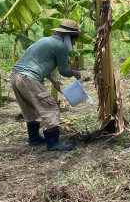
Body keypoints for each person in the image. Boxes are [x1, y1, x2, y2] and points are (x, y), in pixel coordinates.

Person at [10, 19, 83, 151]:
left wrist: (53, 80)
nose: (73, 44)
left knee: (28, 106)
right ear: (69, 37)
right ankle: (53, 143)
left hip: (15, 75)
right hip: (29, 78)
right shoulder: (61, 46)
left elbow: (40, 62)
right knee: (49, 107)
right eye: (74, 41)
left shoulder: (45, 40)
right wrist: (76, 73)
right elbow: (64, 71)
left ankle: (33, 137)